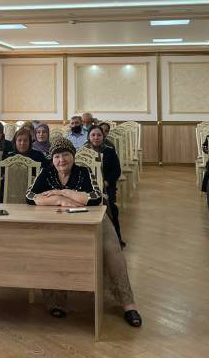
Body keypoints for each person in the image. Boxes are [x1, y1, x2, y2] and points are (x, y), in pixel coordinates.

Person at [25, 138, 142, 327]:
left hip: (94, 220)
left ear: (73, 156)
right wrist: (60, 201)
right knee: (51, 250)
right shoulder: (46, 172)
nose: (61, 160)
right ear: (52, 159)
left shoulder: (84, 171)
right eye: (57, 156)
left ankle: (128, 305)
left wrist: (64, 193)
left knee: (112, 251)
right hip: (57, 221)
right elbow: (30, 197)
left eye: (65, 155)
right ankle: (56, 301)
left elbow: (95, 198)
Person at [86, 125, 124, 246]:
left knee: (112, 208)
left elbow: (116, 171)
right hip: (88, 187)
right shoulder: (82, 152)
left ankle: (116, 240)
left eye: (99, 135)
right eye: (93, 135)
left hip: (107, 186)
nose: (96, 137)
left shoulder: (109, 150)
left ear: (103, 137)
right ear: (88, 137)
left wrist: (106, 182)